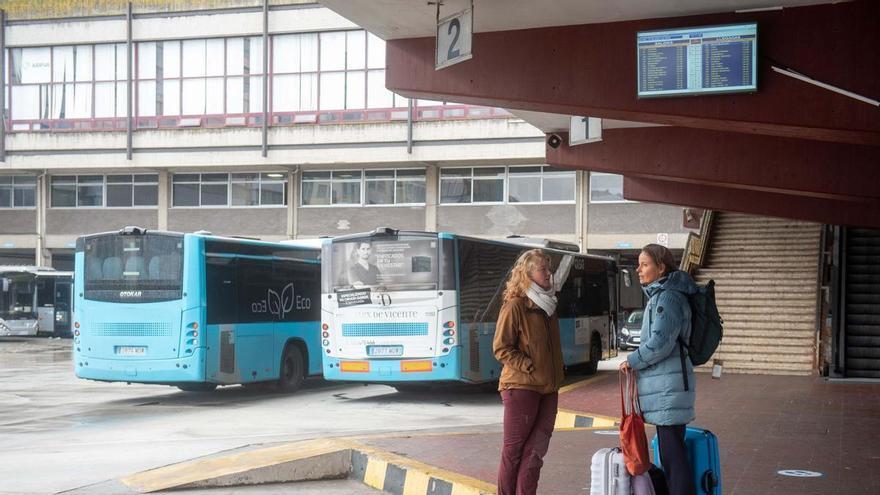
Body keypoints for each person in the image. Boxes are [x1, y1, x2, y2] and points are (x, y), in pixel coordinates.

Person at [620, 243, 697, 495]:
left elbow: (660, 343)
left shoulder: (667, 297)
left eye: (644, 264)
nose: (638, 270)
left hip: (668, 388)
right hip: (669, 386)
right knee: (671, 454)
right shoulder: (662, 295)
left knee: (673, 457)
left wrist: (632, 360)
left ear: (661, 267)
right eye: (638, 265)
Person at [493, 249, 564, 495]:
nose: (548, 273)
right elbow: (501, 348)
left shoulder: (549, 306)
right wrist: (529, 366)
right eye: (542, 269)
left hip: (549, 388)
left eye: (548, 268)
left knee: (535, 453)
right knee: (513, 452)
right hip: (521, 388)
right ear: (527, 274)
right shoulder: (515, 306)